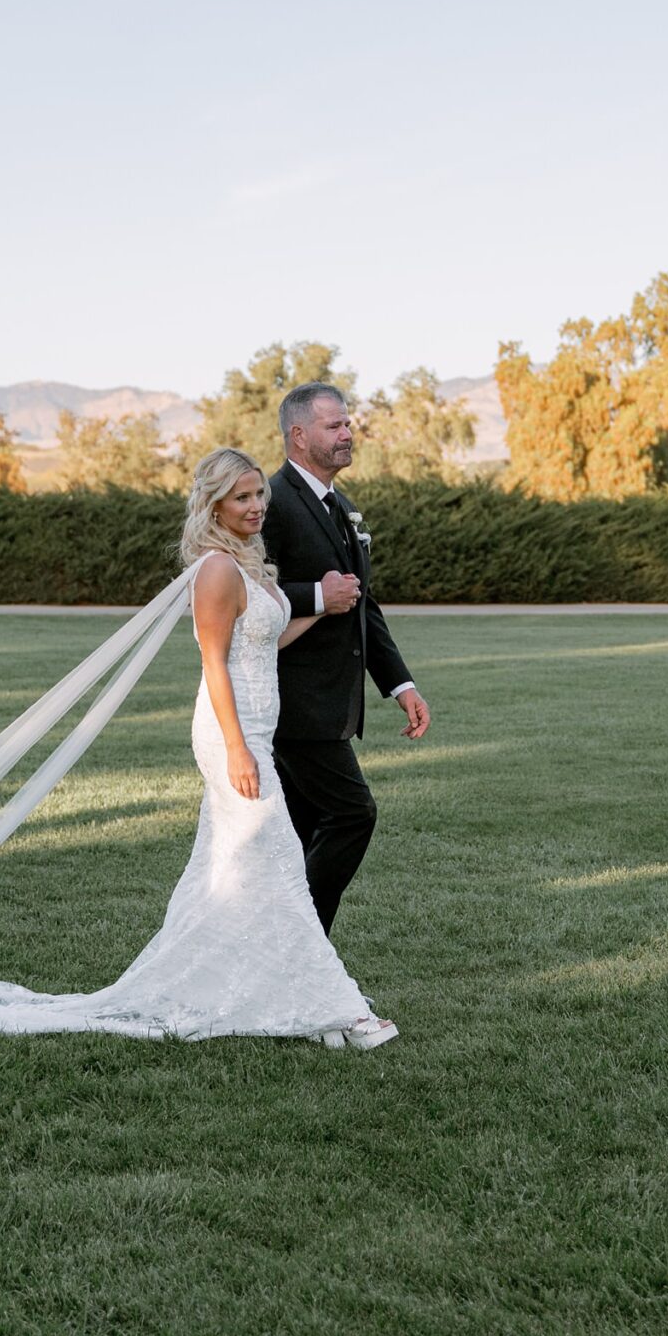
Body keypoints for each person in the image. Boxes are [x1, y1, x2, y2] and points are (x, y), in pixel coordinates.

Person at [0, 448, 399, 1046]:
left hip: (254, 727)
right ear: (215, 505)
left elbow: (263, 643)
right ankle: (335, 1008)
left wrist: (326, 611)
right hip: (234, 733)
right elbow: (213, 660)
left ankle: (276, 990)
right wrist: (236, 747)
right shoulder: (216, 570)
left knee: (239, 869)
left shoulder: (247, 564)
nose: (256, 506)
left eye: (259, 495)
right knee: (274, 858)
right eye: (242, 498)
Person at [264, 383, 431, 932]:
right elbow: (244, 596)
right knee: (352, 814)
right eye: (334, 426)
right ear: (298, 434)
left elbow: (363, 604)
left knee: (306, 832)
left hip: (335, 705)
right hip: (294, 703)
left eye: (347, 424)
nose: (347, 433)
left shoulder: (345, 506)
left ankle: (296, 962)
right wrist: (317, 594)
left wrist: (400, 685)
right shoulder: (270, 504)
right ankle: (299, 943)